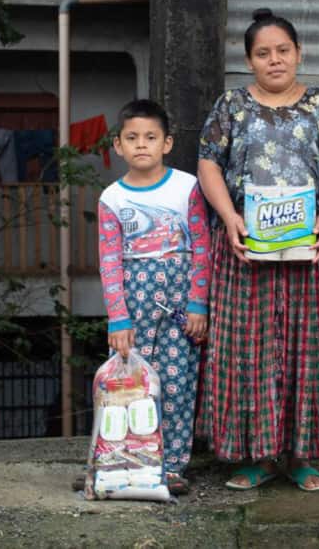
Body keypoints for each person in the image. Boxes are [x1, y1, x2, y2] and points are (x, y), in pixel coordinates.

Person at [196, 8, 319, 492]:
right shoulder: (231, 107)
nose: (274, 60)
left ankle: (301, 457)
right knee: (249, 351)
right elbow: (208, 164)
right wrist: (229, 218)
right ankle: (258, 456)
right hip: (246, 249)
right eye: (263, 53)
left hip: (311, 249)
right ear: (249, 61)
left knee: (310, 350)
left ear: (299, 53)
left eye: (282, 51)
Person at [97, 99, 211, 495]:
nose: (141, 145)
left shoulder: (188, 186)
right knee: (132, 384)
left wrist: (198, 303)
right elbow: (109, 260)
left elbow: (201, 244)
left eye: (150, 137)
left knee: (178, 381)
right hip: (134, 299)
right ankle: (130, 462)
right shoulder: (111, 198)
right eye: (132, 138)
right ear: (118, 145)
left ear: (167, 143)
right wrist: (118, 318)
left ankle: (174, 465)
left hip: (181, 300)